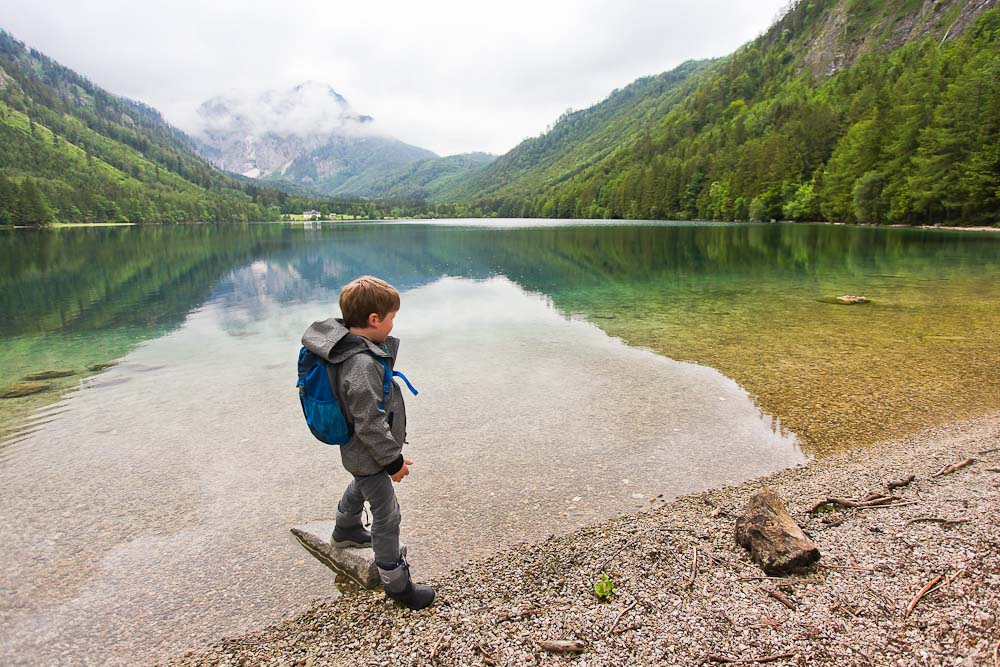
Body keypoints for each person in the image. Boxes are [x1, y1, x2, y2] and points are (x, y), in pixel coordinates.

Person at [300, 276, 434, 610]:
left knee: (361, 483)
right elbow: (369, 422)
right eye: (391, 317)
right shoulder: (360, 364)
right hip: (369, 451)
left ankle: (345, 530)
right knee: (387, 514)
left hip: (360, 454)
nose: (393, 323)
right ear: (374, 320)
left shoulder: (357, 350)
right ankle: (397, 584)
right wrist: (393, 461)